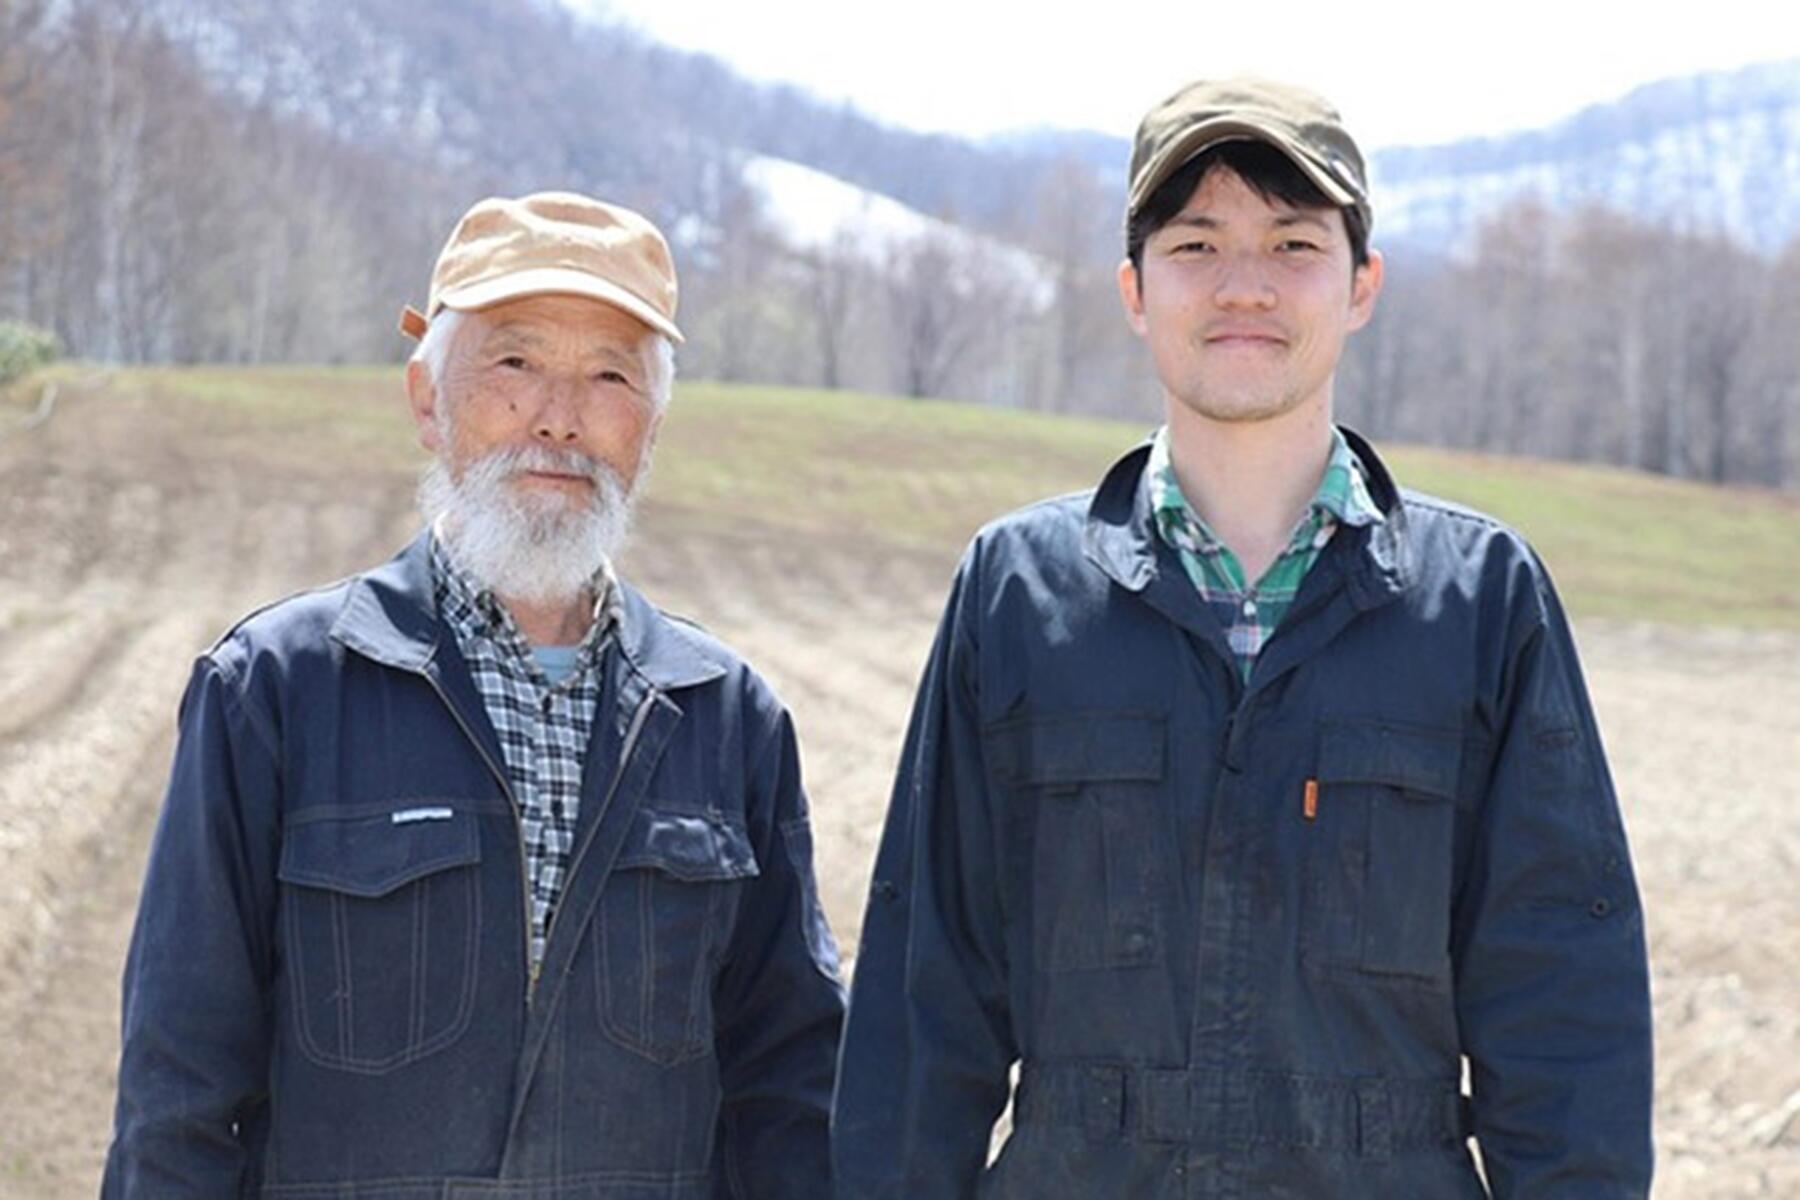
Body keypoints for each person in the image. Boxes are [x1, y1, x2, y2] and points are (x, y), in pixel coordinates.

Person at [832, 78, 1653, 1198]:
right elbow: (924, 999)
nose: (1244, 286)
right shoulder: (1018, 594)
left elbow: (1563, 1007)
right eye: (1196, 244)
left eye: (1293, 243)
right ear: (1135, 289)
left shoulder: (1480, 604)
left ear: (1362, 286)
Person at [103, 192, 844, 1198]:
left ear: (652, 426)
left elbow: (791, 1087)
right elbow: (178, 1091)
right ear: (426, 400)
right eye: (515, 362)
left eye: (610, 375)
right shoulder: (274, 692)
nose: (559, 416)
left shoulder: (728, 720)